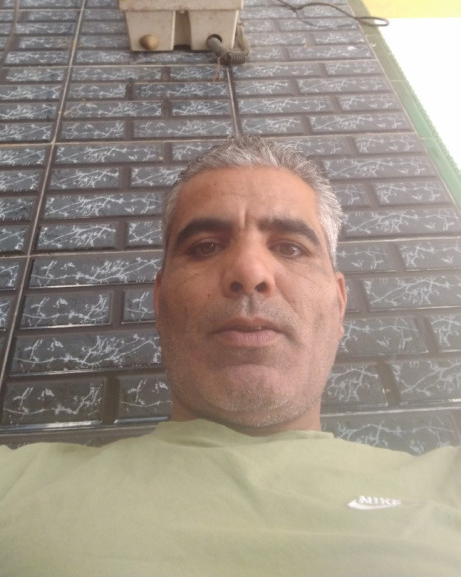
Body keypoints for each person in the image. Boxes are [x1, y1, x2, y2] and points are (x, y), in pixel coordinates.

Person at [0, 135, 460, 577]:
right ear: (159, 303)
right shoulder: (14, 487)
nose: (249, 271)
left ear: (339, 304)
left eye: (290, 247)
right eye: (205, 247)